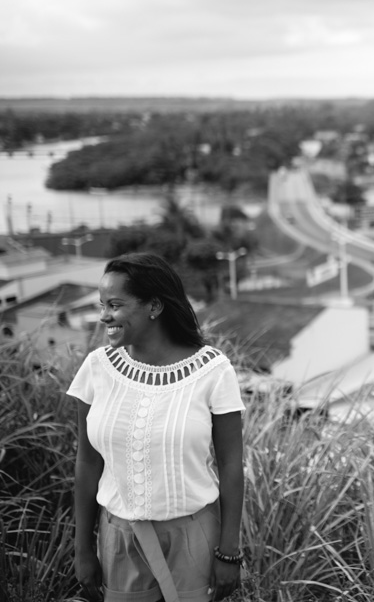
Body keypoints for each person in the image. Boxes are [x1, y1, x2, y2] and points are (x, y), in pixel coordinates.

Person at [70, 252, 245, 602]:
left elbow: (230, 465)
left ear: (154, 306)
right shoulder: (97, 367)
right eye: (102, 304)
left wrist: (229, 551)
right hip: (117, 538)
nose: (104, 315)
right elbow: (87, 463)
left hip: (194, 539)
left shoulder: (212, 370)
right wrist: (82, 548)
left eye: (115, 305)